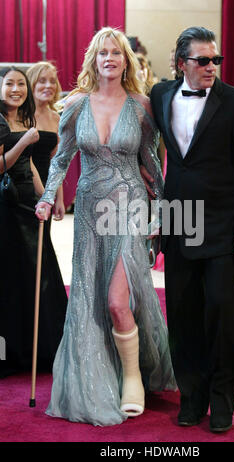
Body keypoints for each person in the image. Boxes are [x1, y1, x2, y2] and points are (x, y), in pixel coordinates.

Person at [35, 27, 176, 427]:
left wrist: (162, 212)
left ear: (126, 60)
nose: (110, 58)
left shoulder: (141, 106)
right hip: (91, 210)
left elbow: (151, 162)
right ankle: (110, 372)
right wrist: (48, 196)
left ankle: (133, 376)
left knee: (118, 301)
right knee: (93, 297)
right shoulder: (76, 105)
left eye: (116, 52)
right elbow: (61, 158)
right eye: (103, 53)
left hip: (129, 207)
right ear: (93, 60)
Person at [147, 26, 234, 432]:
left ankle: (222, 399)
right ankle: (192, 396)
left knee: (222, 312)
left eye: (216, 59)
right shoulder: (161, 95)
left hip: (221, 224)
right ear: (182, 63)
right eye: (203, 60)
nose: (211, 66)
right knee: (182, 315)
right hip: (180, 221)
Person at [0, 66, 67, 378]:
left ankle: (39, 347)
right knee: (14, 273)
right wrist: (25, 141)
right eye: (10, 84)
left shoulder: (30, 119)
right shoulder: (6, 122)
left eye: (19, 84)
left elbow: (45, 164)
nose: (17, 89)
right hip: (8, 201)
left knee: (38, 271)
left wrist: (48, 196)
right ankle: (13, 350)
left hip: (32, 200)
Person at [26, 61, 65, 221]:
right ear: (32, 83)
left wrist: (59, 199)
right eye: (42, 81)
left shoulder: (56, 118)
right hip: (24, 187)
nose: (49, 85)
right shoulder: (21, 115)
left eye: (52, 81)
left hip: (47, 189)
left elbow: (56, 161)